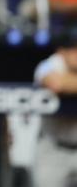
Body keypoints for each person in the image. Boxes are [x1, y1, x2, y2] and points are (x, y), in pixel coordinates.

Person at [33, 35, 77, 186]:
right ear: (61, 52)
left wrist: (69, 84)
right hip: (55, 151)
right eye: (73, 49)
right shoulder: (49, 64)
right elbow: (56, 83)